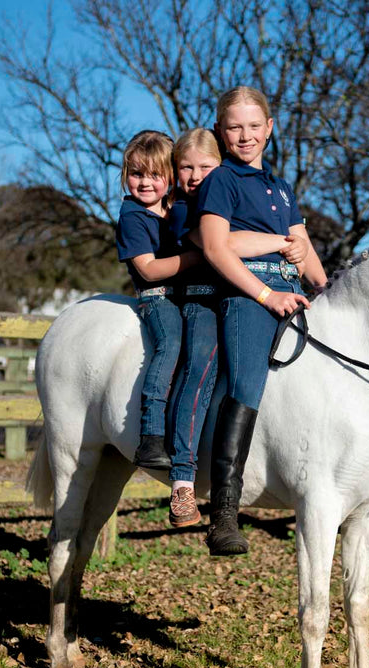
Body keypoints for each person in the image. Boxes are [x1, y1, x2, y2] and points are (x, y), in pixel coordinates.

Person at [194, 87, 328, 555]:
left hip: (292, 295)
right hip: (247, 298)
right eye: (235, 127)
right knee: (245, 384)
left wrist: (331, 295)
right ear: (220, 132)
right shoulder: (221, 182)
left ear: (270, 128)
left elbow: (304, 250)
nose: (245, 135)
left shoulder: (280, 188)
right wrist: (266, 295)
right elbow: (214, 248)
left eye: (254, 126)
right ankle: (224, 515)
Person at [163, 128, 308, 527]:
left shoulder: (242, 193)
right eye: (186, 167)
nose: (196, 176)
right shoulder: (182, 210)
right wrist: (281, 242)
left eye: (205, 166)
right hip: (202, 301)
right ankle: (183, 479)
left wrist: (299, 253)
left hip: (231, 293)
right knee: (202, 367)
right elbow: (225, 245)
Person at [114, 130, 198, 471]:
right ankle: (150, 433)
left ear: (170, 177)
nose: (145, 183)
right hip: (157, 297)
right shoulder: (132, 217)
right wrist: (204, 256)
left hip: (188, 296)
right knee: (171, 344)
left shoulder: (178, 208)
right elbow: (148, 269)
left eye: (155, 175)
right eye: (136, 174)